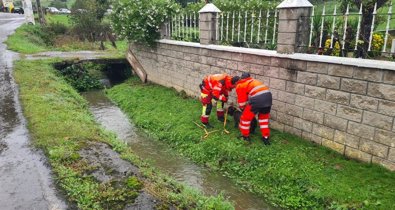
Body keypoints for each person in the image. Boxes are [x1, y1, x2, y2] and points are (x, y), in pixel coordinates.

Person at [235, 72, 272, 145]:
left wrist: (243, 109)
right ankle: (266, 138)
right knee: (263, 119)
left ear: (241, 78)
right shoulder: (254, 81)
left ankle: (245, 137)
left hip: (257, 99)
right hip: (268, 98)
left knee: (245, 119)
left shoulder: (241, 84)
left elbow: (242, 102)